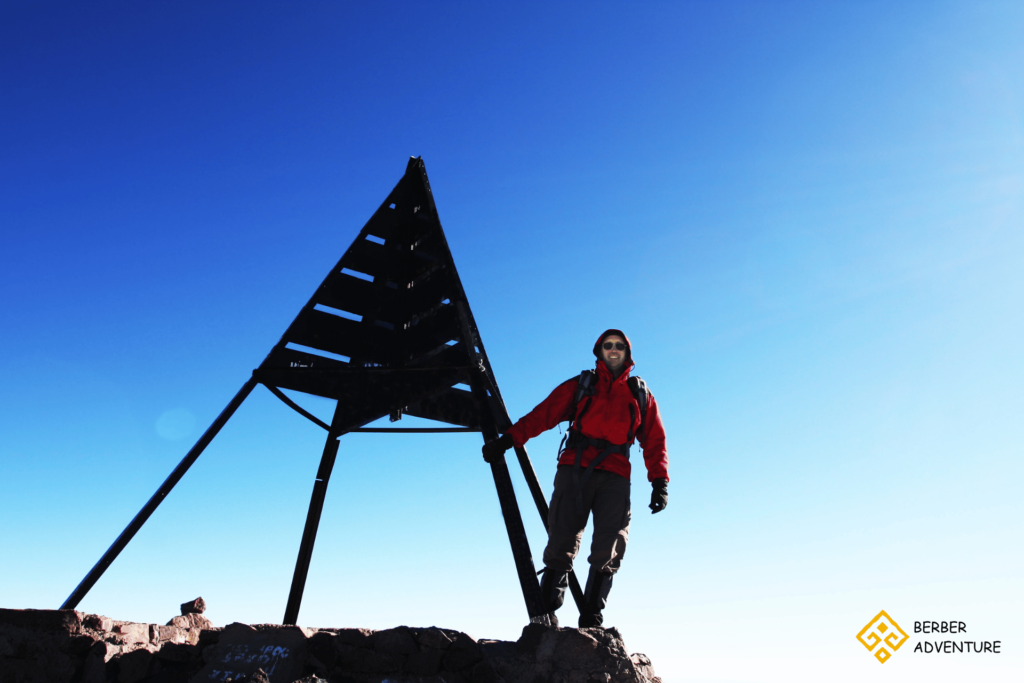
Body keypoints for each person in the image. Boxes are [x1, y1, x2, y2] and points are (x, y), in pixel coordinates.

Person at [482, 329, 669, 628]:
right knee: (562, 539)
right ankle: (546, 616)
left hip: (616, 476)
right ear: (599, 351)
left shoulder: (640, 394)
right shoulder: (582, 385)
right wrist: (508, 440)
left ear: (627, 354)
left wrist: (659, 483)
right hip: (575, 470)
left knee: (611, 545)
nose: (613, 350)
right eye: (608, 345)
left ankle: (591, 620)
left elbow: (655, 440)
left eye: (619, 346)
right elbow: (543, 414)